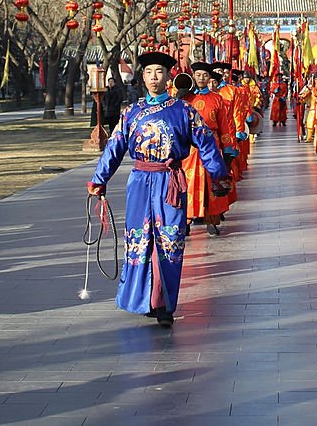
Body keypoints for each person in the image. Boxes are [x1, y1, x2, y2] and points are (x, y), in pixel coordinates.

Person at [87, 52, 230, 327]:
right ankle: (143, 299)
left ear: (169, 77)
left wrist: (219, 177)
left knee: (169, 241)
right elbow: (115, 146)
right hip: (140, 181)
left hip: (170, 182)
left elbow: (207, 144)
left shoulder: (184, 111)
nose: (154, 77)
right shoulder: (131, 112)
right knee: (139, 240)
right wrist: (99, 179)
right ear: (143, 77)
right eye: (149, 71)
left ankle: (164, 303)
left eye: (160, 72)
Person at [182, 62, 237, 236]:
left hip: (211, 145)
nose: (201, 78)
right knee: (188, 184)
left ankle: (211, 220)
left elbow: (224, 126)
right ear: (193, 76)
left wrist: (228, 149)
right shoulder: (186, 98)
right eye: (198, 75)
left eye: (205, 75)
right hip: (190, 148)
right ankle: (187, 220)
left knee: (211, 182)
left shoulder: (217, 98)